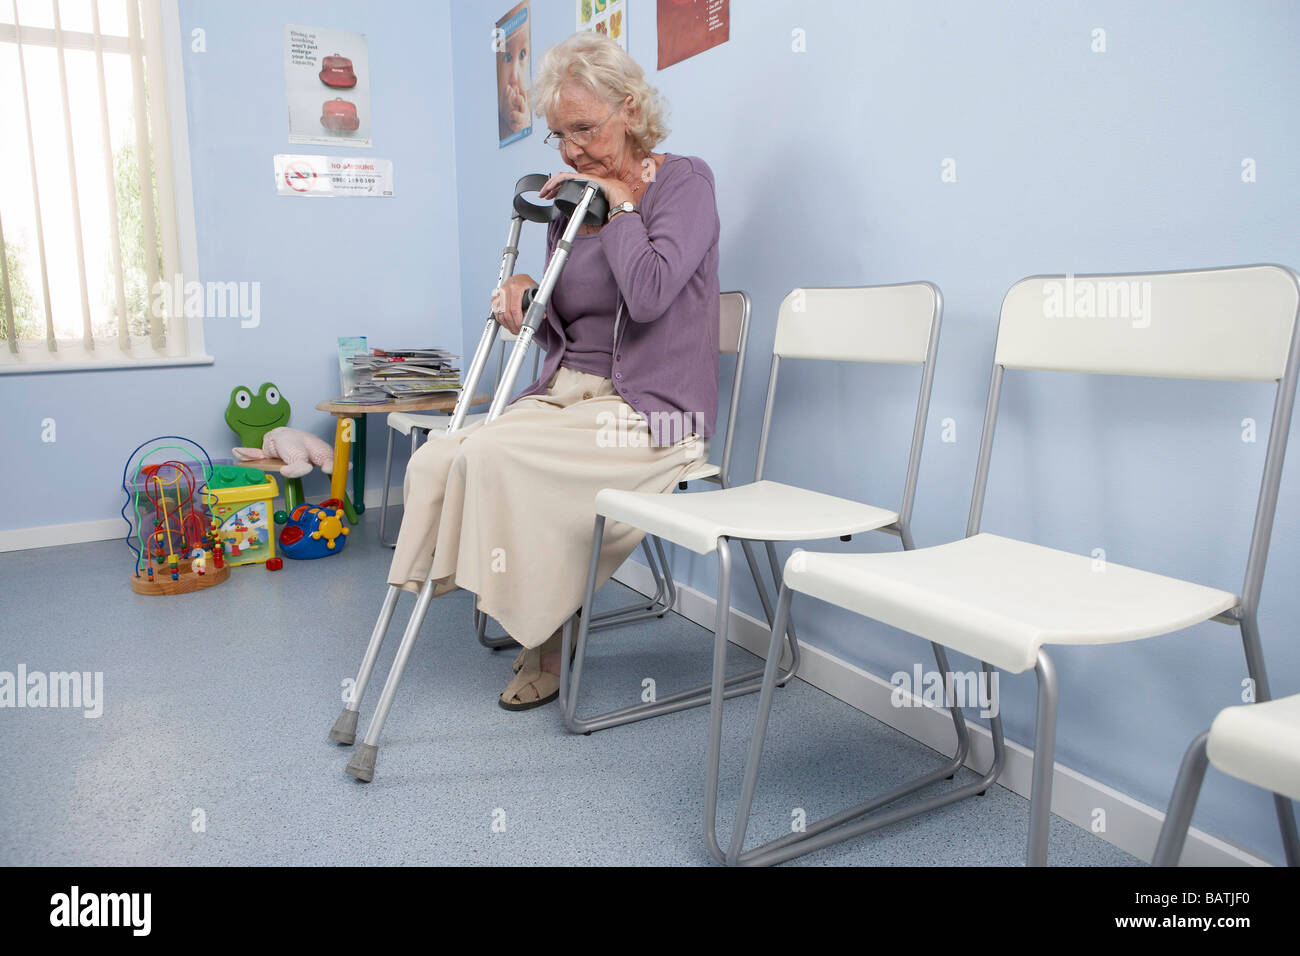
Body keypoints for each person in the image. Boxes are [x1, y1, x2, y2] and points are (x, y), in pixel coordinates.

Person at [388, 32, 720, 711]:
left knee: (499, 453)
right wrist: (526, 291)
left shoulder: (683, 182)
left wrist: (619, 204)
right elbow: (566, 319)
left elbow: (651, 292)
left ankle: (542, 635)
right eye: (558, 136)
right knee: (440, 457)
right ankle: (503, 600)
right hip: (570, 395)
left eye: (584, 129)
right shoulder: (572, 197)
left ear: (629, 109)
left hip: (653, 412)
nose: (570, 151)